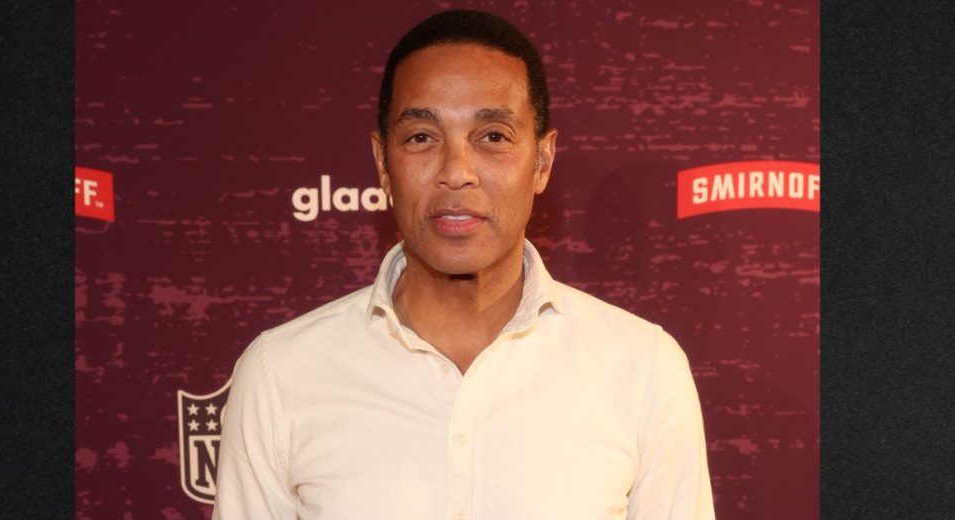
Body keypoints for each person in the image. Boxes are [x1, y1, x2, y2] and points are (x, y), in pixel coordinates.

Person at [213, 9, 714, 520]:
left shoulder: (644, 368)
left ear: (542, 161)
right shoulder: (282, 374)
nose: (456, 172)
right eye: (421, 137)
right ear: (383, 163)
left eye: (493, 136)